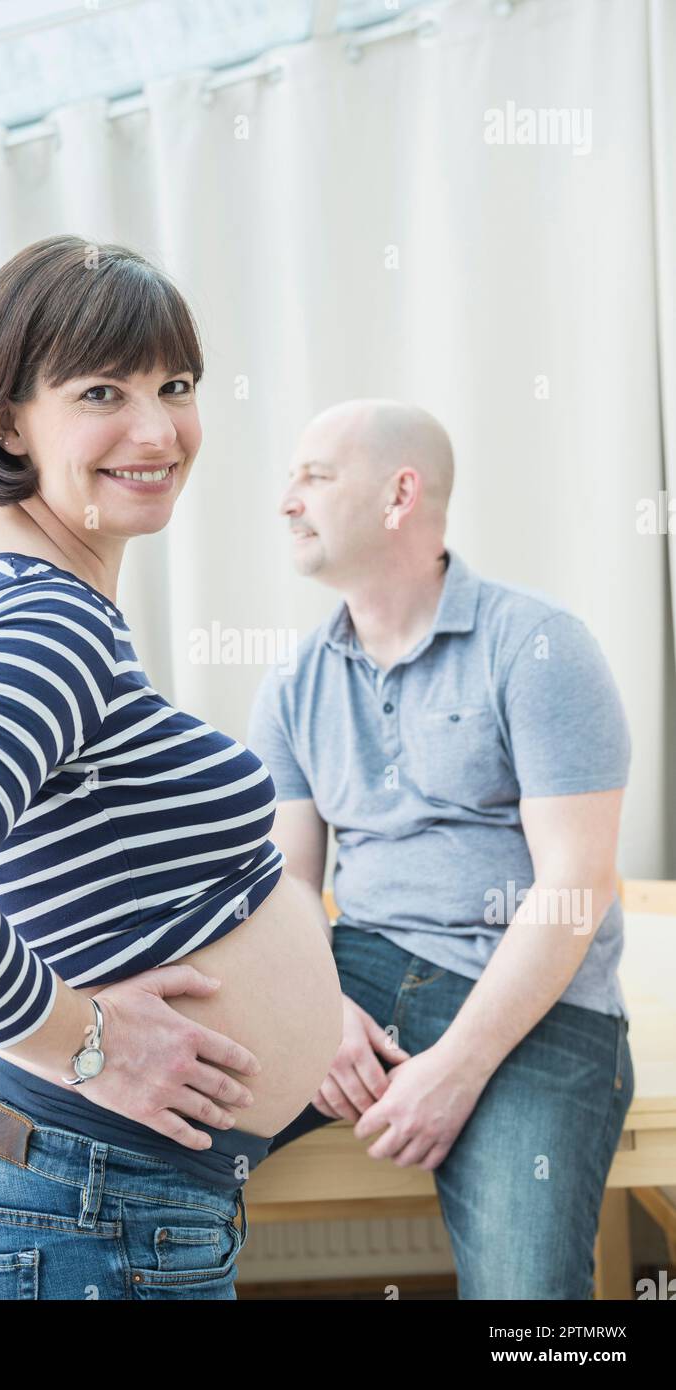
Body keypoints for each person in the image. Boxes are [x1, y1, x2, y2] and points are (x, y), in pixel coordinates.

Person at [0, 236, 345, 1301]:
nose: (157, 430)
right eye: (102, 390)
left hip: (68, 1187)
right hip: (83, 1207)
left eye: (177, 386)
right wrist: (97, 1044)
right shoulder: (45, 622)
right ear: (7, 417)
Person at [247, 398, 634, 1300]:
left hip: (536, 999)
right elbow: (289, 888)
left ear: (398, 496)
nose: (286, 501)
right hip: (362, 971)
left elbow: (574, 888)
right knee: (155, 1135)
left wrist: (455, 1070)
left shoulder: (538, 648)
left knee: (528, 1300)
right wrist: (321, 1006)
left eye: (314, 475)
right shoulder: (292, 682)